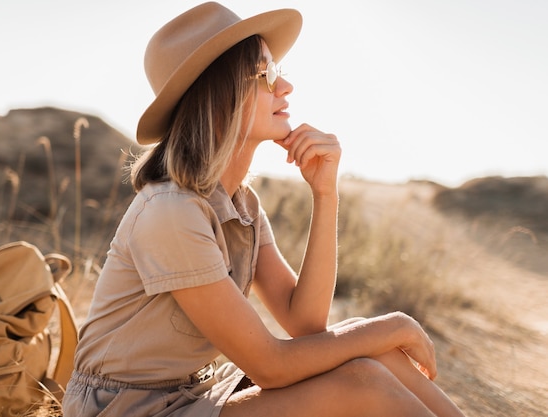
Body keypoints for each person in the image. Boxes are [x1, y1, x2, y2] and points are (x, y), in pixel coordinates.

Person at [62, 2, 466, 416]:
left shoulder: (243, 207)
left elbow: (306, 326)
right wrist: (394, 325)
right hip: (125, 408)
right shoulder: (170, 213)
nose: (284, 88)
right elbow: (271, 366)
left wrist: (325, 195)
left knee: (378, 359)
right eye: (265, 75)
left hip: (189, 394)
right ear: (217, 97)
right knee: (364, 379)